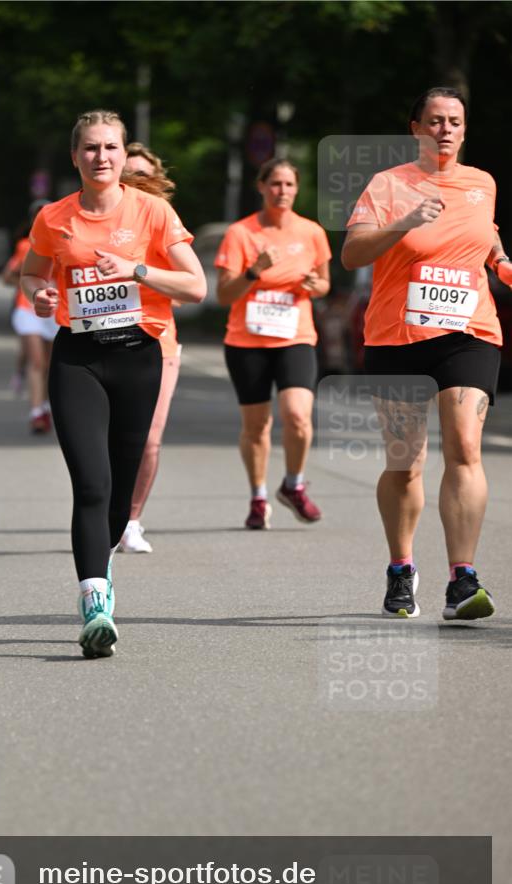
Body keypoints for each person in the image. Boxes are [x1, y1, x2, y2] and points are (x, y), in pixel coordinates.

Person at [21, 109, 205, 658]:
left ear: (124, 156)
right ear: (75, 156)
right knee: (92, 483)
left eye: (110, 148)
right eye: (90, 148)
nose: (101, 156)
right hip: (78, 358)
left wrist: (136, 271)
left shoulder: (152, 212)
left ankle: (104, 566)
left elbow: (196, 287)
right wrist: (40, 295)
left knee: (120, 499)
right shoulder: (54, 218)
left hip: (137, 357)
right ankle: (95, 601)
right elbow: (33, 271)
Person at [342, 86, 511, 621]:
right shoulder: (388, 185)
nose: (445, 130)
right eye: (434, 121)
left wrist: (504, 265)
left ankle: (463, 579)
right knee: (407, 463)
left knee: (465, 446)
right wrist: (404, 222)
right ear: (415, 127)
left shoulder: (482, 184)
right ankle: (401, 568)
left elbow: (489, 246)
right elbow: (351, 255)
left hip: (470, 331)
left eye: (455, 121)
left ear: (464, 129)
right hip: (398, 337)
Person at [215, 157, 331, 530]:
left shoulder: (312, 232)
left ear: (297, 189)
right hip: (247, 340)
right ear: (261, 187)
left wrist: (316, 285)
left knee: (298, 415)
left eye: (289, 185)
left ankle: (293, 485)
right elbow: (223, 294)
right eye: (275, 184)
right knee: (257, 426)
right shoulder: (240, 233)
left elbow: (325, 282)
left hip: (295, 336)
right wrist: (254, 270)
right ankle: (258, 497)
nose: (282, 191)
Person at [117, 142, 180, 553]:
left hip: (158, 340)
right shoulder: (92, 221)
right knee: (110, 440)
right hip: (101, 340)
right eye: (130, 174)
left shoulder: (167, 223)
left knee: (150, 440)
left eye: (144, 174)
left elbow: (190, 285)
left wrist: (140, 271)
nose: (137, 181)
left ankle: (131, 521)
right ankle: (104, 512)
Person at [3, 201, 57, 434]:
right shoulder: (25, 245)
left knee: (51, 365)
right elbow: (8, 277)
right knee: (37, 362)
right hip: (28, 308)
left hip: (57, 309)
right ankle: (36, 412)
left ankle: (44, 404)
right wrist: (30, 287)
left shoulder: (65, 241)